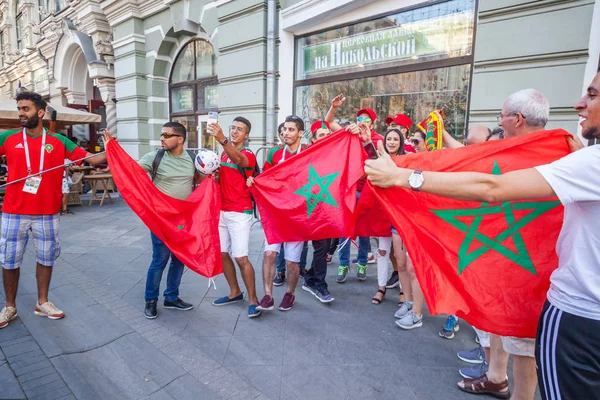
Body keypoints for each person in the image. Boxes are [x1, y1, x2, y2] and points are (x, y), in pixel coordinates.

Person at [366, 87, 587, 400]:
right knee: (499, 318)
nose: (499, 120)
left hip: (533, 266)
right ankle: (496, 376)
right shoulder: (522, 149)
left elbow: (490, 185)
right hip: (504, 258)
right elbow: (463, 159)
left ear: (518, 119)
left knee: (524, 342)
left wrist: (405, 176)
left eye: (502, 115)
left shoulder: (561, 156)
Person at [0, 91, 107, 329]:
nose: (20, 114)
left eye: (25, 109)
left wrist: (112, 149)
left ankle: (42, 302)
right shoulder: (7, 137)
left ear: (40, 112)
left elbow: (93, 159)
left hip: (47, 212)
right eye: (19, 109)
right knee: (9, 260)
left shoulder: (59, 141)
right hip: (13, 212)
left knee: (46, 258)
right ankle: (9, 306)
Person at [137, 122, 199, 319]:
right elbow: (130, 172)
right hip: (161, 219)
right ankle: (151, 300)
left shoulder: (192, 158)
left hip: (183, 220)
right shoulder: (154, 157)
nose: (162, 138)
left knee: (179, 260)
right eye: (161, 134)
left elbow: (202, 181)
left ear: (180, 139)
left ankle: (171, 297)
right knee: (160, 260)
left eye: (166, 134)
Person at [249, 115, 306, 312]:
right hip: (275, 213)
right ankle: (268, 295)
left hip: (298, 214)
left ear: (300, 133)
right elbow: (264, 178)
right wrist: (254, 182)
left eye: (291, 130)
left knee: (292, 262)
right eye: (284, 130)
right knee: (270, 254)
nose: (286, 133)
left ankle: (290, 293)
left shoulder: (308, 152)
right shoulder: (274, 154)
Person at [207, 117, 262, 318]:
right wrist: (216, 177)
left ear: (246, 135)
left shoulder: (247, 154)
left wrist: (222, 139)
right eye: (233, 128)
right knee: (222, 254)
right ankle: (235, 292)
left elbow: (239, 161)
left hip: (240, 211)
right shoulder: (224, 153)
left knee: (241, 257)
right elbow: (227, 177)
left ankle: (253, 300)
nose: (235, 131)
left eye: (240, 129)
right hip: (222, 210)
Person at [326, 95, 381, 282]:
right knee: (345, 228)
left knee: (364, 230)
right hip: (348, 190)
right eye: (359, 119)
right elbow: (329, 122)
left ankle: (363, 263)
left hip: (368, 191)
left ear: (372, 124)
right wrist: (334, 107)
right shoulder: (350, 134)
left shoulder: (378, 139)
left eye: (366, 119)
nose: (362, 122)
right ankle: (343, 265)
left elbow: (380, 162)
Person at [370, 128, 405, 305]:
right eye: (389, 139)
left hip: (400, 215)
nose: (391, 142)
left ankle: (403, 291)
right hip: (382, 214)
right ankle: (381, 287)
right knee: (382, 252)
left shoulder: (407, 161)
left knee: (400, 257)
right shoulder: (378, 161)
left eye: (395, 140)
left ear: (401, 143)